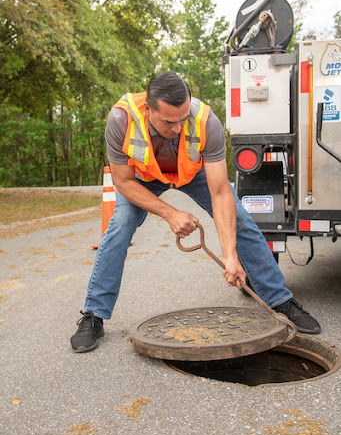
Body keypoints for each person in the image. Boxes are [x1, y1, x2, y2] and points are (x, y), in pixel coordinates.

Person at [70, 71, 321, 353]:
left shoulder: (206, 121)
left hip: (193, 173)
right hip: (142, 178)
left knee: (241, 220)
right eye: (168, 121)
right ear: (148, 109)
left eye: (182, 119)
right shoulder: (121, 119)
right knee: (119, 226)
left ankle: (280, 301)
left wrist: (230, 256)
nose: (178, 128)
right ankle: (94, 314)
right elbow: (123, 182)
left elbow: (220, 193)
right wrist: (170, 213)